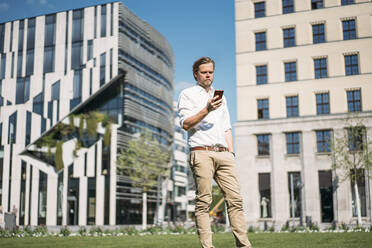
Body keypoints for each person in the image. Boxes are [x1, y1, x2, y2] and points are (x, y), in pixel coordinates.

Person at [178, 57, 252, 248]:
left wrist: (231, 153)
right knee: (204, 202)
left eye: (210, 71)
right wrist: (207, 109)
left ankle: (244, 245)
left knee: (236, 200)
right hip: (201, 152)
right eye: (204, 72)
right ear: (196, 74)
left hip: (224, 154)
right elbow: (186, 124)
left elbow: (227, 127)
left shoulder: (221, 98)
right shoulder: (187, 94)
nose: (208, 75)